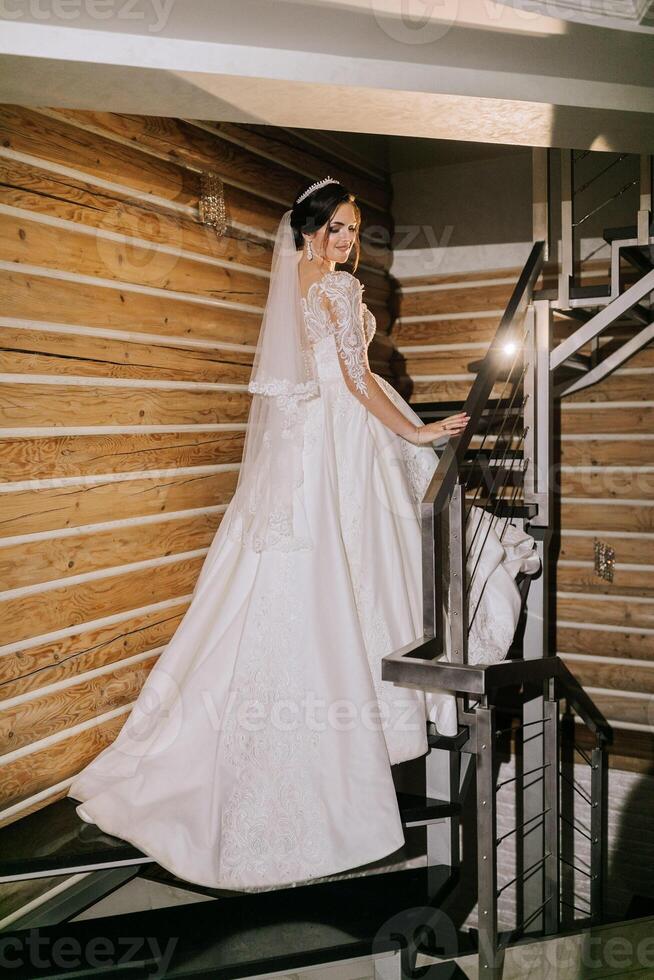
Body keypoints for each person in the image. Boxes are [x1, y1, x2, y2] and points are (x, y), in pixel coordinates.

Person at [67, 178, 537, 892]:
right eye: (340, 229)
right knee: (365, 560)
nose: (349, 244)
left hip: (301, 442)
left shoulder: (291, 275)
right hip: (342, 435)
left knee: (292, 574)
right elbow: (355, 381)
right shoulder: (340, 291)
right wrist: (419, 429)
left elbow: (311, 375)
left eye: (355, 232)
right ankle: (380, 709)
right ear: (313, 227)